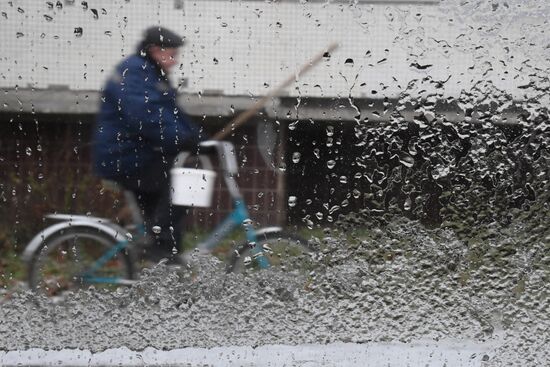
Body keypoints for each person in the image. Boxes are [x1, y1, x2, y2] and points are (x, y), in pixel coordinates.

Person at [92, 26, 203, 264]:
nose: (174, 61)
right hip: (124, 157)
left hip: (135, 155)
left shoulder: (149, 73)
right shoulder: (135, 73)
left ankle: (165, 259)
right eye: (171, 54)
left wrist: (197, 137)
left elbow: (171, 114)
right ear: (154, 51)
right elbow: (147, 116)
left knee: (164, 215)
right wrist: (183, 140)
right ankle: (161, 247)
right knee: (184, 182)